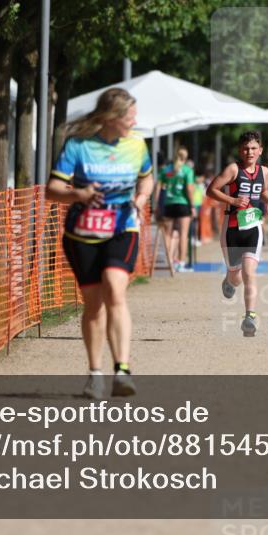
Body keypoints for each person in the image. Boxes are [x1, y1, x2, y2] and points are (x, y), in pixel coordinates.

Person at [46, 88, 153, 399]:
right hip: (82, 233)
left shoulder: (136, 145)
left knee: (115, 288)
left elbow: (147, 177)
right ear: (111, 118)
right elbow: (52, 190)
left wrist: (142, 197)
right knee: (93, 305)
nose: (135, 121)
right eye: (130, 116)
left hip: (123, 227)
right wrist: (78, 194)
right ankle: (95, 374)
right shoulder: (78, 146)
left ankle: (122, 370)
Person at [207, 131, 268, 337]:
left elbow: (263, 190)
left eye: (254, 148)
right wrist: (232, 201)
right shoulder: (232, 169)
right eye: (246, 148)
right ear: (240, 150)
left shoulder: (264, 171)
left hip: (254, 228)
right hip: (231, 229)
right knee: (236, 277)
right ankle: (229, 281)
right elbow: (211, 190)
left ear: (260, 150)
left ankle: (250, 317)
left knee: (249, 272)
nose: (250, 152)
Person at [154, 146, 196, 273]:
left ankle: (168, 262)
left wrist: (157, 205)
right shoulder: (187, 170)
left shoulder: (166, 170)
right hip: (183, 204)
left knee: (167, 234)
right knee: (183, 235)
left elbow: (158, 188)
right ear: (186, 157)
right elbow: (189, 189)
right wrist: (192, 205)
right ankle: (181, 263)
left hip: (168, 204)